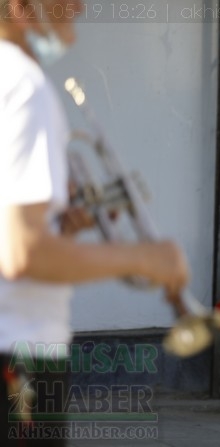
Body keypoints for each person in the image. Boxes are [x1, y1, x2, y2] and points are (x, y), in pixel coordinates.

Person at [0, 1, 190, 445]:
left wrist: (62, 231)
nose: (79, 6)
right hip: (22, 355)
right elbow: (22, 254)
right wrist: (147, 257)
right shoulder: (24, 87)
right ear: (21, 8)